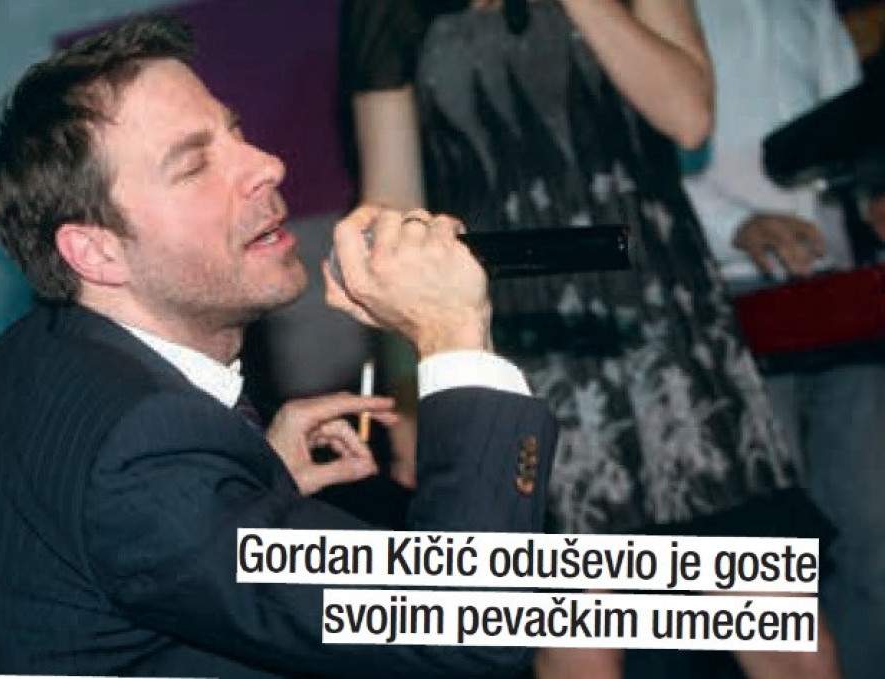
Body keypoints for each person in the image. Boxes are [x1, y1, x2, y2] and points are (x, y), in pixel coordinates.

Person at [0, 15, 558, 678]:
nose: (268, 165)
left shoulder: (29, 358)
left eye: (234, 133)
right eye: (194, 165)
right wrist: (455, 333)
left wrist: (243, 485)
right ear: (95, 251)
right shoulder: (140, 457)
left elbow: (149, 550)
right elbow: (468, 620)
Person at [340, 1, 840, 677]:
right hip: (516, 339)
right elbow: (394, 211)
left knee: (772, 618)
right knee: (576, 637)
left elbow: (689, 115)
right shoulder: (388, 10)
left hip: (662, 323)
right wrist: (408, 390)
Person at [683, 2, 885, 678]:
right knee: (766, 557)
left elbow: (849, 124)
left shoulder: (809, 6)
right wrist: (732, 225)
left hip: (838, 291)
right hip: (718, 298)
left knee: (872, 536)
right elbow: (647, 146)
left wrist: (872, 195)